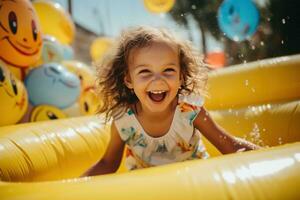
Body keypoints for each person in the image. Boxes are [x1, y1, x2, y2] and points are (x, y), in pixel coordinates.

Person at [83, 26, 259, 176]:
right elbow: (108, 163)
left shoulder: (189, 111)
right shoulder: (124, 119)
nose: (158, 80)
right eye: (145, 72)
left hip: (194, 183)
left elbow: (229, 145)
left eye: (168, 70)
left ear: (181, 76)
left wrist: (268, 157)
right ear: (128, 80)